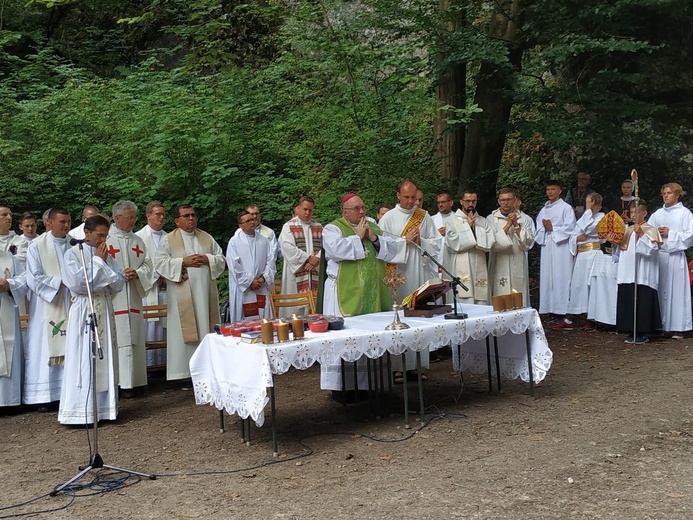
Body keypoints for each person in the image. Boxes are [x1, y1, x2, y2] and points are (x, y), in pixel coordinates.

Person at [318, 193, 403, 393]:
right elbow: (335, 251)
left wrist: (372, 237)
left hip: (372, 293)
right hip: (344, 293)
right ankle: (343, 387)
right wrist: (357, 236)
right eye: (357, 209)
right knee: (347, 337)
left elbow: (391, 250)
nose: (362, 212)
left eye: (363, 207)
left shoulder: (372, 225)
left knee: (372, 335)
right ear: (345, 211)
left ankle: (373, 385)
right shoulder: (333, 228)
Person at [58, 215, 125, 425]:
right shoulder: (72, 254)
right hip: (83, 308)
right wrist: (97, 262)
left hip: (103, 306)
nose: (103, 240)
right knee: (84, 355)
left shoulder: (106, 254)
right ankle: (81, 411)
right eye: (100, 235)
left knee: (104, 356)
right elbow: (77, 283)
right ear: (87, 232)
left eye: (106, 235)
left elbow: (119, 281)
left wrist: (101, 266)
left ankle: (105, 410)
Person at [154, 205, 226, 382]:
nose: (191, 218)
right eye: (186, 216)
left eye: (193, 215)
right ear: (177, 221)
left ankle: (208, 370)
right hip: (182, 297)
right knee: (183, 332)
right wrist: (182, 262)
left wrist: (207, 259)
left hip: (205, 293)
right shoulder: (168, 239)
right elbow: (160, 262)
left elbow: (221, 258)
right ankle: (184, 374)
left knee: (205, 327)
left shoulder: (206, 237)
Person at [378, 180, 441, 382]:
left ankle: (416, 365)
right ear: (398, 195)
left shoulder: (423, 217)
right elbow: (381, 246)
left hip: (419, 272)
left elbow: (437, 243)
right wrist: (404, 241)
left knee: (418, 315)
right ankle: (397, 367)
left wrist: (421, 241)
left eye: (414, 197)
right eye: (406, 197)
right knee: (398, 317)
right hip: (397, 275)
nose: (411, 201)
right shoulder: (387, 218)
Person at [23, 207, 73, 409]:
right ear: (49, 223)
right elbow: (33, 277)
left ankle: (67, 392)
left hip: (71, 301)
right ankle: (44, 396)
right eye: (62, 222)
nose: (67, 225)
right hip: (47, 304)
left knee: (70, 345)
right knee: (44, 347)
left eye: (69, 221)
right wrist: (60, 282)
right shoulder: (36, 246)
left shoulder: (74, 244)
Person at [107, 201, 154, 396]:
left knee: (134, 337)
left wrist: (137, 273)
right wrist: (118, 275)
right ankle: (119, 383)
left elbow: (148, 264)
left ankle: (136, 380)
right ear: (117, 218)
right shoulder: (105, 239)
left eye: (134, 217)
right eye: (129, 217)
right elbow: (97, 266)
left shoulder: (138, 241)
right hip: (114, 297)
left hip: (133, 296)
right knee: (118, 338)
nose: (133, 221)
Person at [609, 203, 662, 344]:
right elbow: (620, 252)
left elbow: (650, 250)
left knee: (642, 300)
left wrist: (641, 234)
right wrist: (614, 243)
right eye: (631, 212)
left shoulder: (650, 229)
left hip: (643, 273)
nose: (633, 215)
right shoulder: (627, 230)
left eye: (636, 212)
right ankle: (630, 330)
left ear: (644, 213)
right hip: (627, 272)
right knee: (628, 299)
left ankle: (643, 332)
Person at [647, 183, 693, 338]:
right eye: (664, 193)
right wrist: (655, 235)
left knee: (677, 292)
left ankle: (678, 326)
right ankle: (661, 325)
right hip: (659, 257)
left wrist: (670, 233)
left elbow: (690, 236)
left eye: (669, 193)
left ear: (677, 195)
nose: (666, 196)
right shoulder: (657, 214)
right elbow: (648, 232)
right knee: (660, 289)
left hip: (675, 257)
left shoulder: (684, 214)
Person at [535, 180, 576, 326]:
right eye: (548, 189)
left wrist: (553, 229)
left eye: (553, 189)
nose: (550, 192)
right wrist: (545, 229)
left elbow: (571, 228)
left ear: (560, 191)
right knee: (548, 277)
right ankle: (551, 309)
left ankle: (563, 309)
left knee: (561, 276)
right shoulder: (544, 209)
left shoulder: (566, 208)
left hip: (561, 248)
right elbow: (538, 229)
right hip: (548, 246)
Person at [442, 189, 495, 305]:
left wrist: (475, 228)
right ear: (461, 202)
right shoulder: (452, 221)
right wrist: (469, 227)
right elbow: (452, 242)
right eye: (467, 201)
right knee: (463, 296)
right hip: (460, 264)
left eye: (473, 201)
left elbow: (490, 242)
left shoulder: (483, 221)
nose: (471, 204)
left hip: (479, 259)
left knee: (480, 297)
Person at [564, 193, 605, 330]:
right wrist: (576, 239)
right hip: (581, 255)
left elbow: (590, 229)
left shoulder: (601, 217)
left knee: (590, 285)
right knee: (577, 285)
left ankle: (591, 317)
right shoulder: (584, 218)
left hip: (593, 254)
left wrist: (587, 210)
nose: (589, 208)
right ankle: (571, 317)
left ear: (598, 206)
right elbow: (575, 234)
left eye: (591, 205)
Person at [487, 188, 534, 306]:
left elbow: (528, 242)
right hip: (499, 261)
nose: (506, 203)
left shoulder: (523, 218)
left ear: (515, 200)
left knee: (518, 293)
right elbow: (492, 242)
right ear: (498, 201)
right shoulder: (491, 219)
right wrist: (508, 225)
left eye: (509, 199)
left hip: (517, 258)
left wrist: (516, 225)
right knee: (500, 292)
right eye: (503, 200)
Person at [226, 210, 275, 322]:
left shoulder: (264, 241)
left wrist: (263, 279)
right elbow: (234, 265)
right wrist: (249, 282)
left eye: (253, 219)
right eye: (248, 221)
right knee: (245, 319)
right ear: (241, 225)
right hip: (244, 289)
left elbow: (270, 262)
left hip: (261, 287)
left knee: (262, 317)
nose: (251, 222)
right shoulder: (234, 242)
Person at [136, 202, 168, 369]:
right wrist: (157, 274)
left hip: (166, 288)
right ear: (148, 215)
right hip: (149, 289)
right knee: (150, 326)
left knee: (165, 326)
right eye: (157, 214)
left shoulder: (169, 237)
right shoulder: (138, 238)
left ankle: (163, 364)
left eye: (163, 214)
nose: (161, 217)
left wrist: (168, 273)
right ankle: (149, 365)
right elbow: (139, 264)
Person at [278, 196, 323, 316]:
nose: (307, 213)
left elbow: (325, 246)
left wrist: (317, 259)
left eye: (310, 210)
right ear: (299, 208)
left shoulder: (318, 226)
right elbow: (287, 247)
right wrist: (308, 258)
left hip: (314, 271)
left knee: (314, 305)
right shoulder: (289, 226)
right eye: (305, 209)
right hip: (296, 273)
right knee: (295, 306)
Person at [0, 248, 28, 408]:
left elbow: (24, 279)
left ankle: (8, 400)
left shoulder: (9, 258)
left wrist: (9, 284)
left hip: (6, 307)